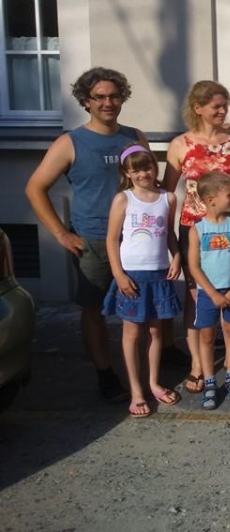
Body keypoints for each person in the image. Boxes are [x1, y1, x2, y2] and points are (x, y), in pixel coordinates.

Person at [25, 67, 147, 403]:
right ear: (86, 101)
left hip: (136, 239)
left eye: (114, 96)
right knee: (94, 309)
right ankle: (105, 373)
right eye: (100, 97)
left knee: (142, 306)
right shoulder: (70, 142)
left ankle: (148, 369)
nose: (108, 103)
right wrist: (60, 233)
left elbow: (146, 183)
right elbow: (35, 188)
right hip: (93, 240)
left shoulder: (134, 136)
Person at [163, 80, 230, 394]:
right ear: (197, 108)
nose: (222, 111)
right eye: (216, 106)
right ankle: (198, 365)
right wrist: (168, 238)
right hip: (194, 229)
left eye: (225, 105)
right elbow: (167, 195)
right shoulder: (180, 144)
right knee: (196, 295)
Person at [103, 144, 182, 417]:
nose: (143, 174)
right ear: (127, 172)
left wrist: (177, 257)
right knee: (132, 334)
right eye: (135, 170)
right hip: (132, 277)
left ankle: (153, 383)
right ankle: (136, 391)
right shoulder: (123, 199)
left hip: (158, 274)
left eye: (147, 167)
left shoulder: (168, 198)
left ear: (154, 167)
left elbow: (169, 234)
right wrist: (119, 274)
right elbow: (111, 239)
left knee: (155, 332)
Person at [187, 172, 230, 410]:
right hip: (208, 293)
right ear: (211, 200)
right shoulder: (197, 229)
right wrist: (212, 293)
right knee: (207, 336)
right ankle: (210, 382)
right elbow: (193, 266)